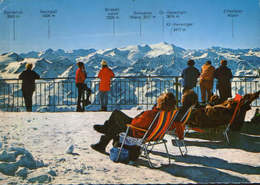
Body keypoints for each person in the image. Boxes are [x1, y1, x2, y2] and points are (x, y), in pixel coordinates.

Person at [90, 92, 177, 156]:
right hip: (152, 134)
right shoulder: (168, 114)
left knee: (116, 117)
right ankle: (104, 132)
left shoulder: (151, 114)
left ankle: (104, 134)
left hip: (137, 132)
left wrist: (140, 116)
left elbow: (135, 123)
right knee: (116, 116)